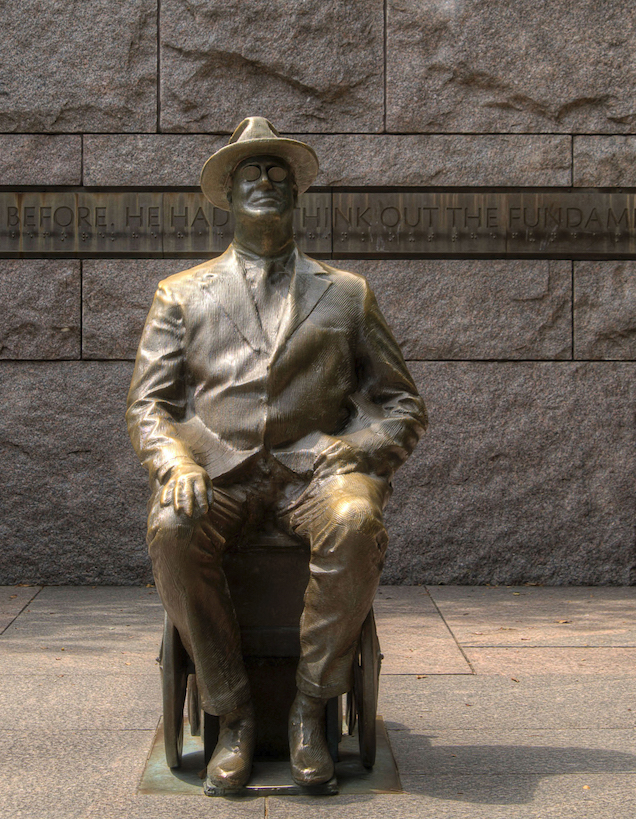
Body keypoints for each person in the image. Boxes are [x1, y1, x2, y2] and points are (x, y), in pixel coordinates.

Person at [126, 117, 426, 794]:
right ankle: (229, 711)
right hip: (218, 474)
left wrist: (351, 452)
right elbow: (150, 405)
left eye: (279, 175)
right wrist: (176, 463)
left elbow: (403, 405)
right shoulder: (181, 293)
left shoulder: (347, 293)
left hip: (314, 473)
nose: (266, 183)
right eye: (250, 175)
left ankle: (309, 707)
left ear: (297, 196)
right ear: (227, 195)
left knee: (355, 520)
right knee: (170, 527)